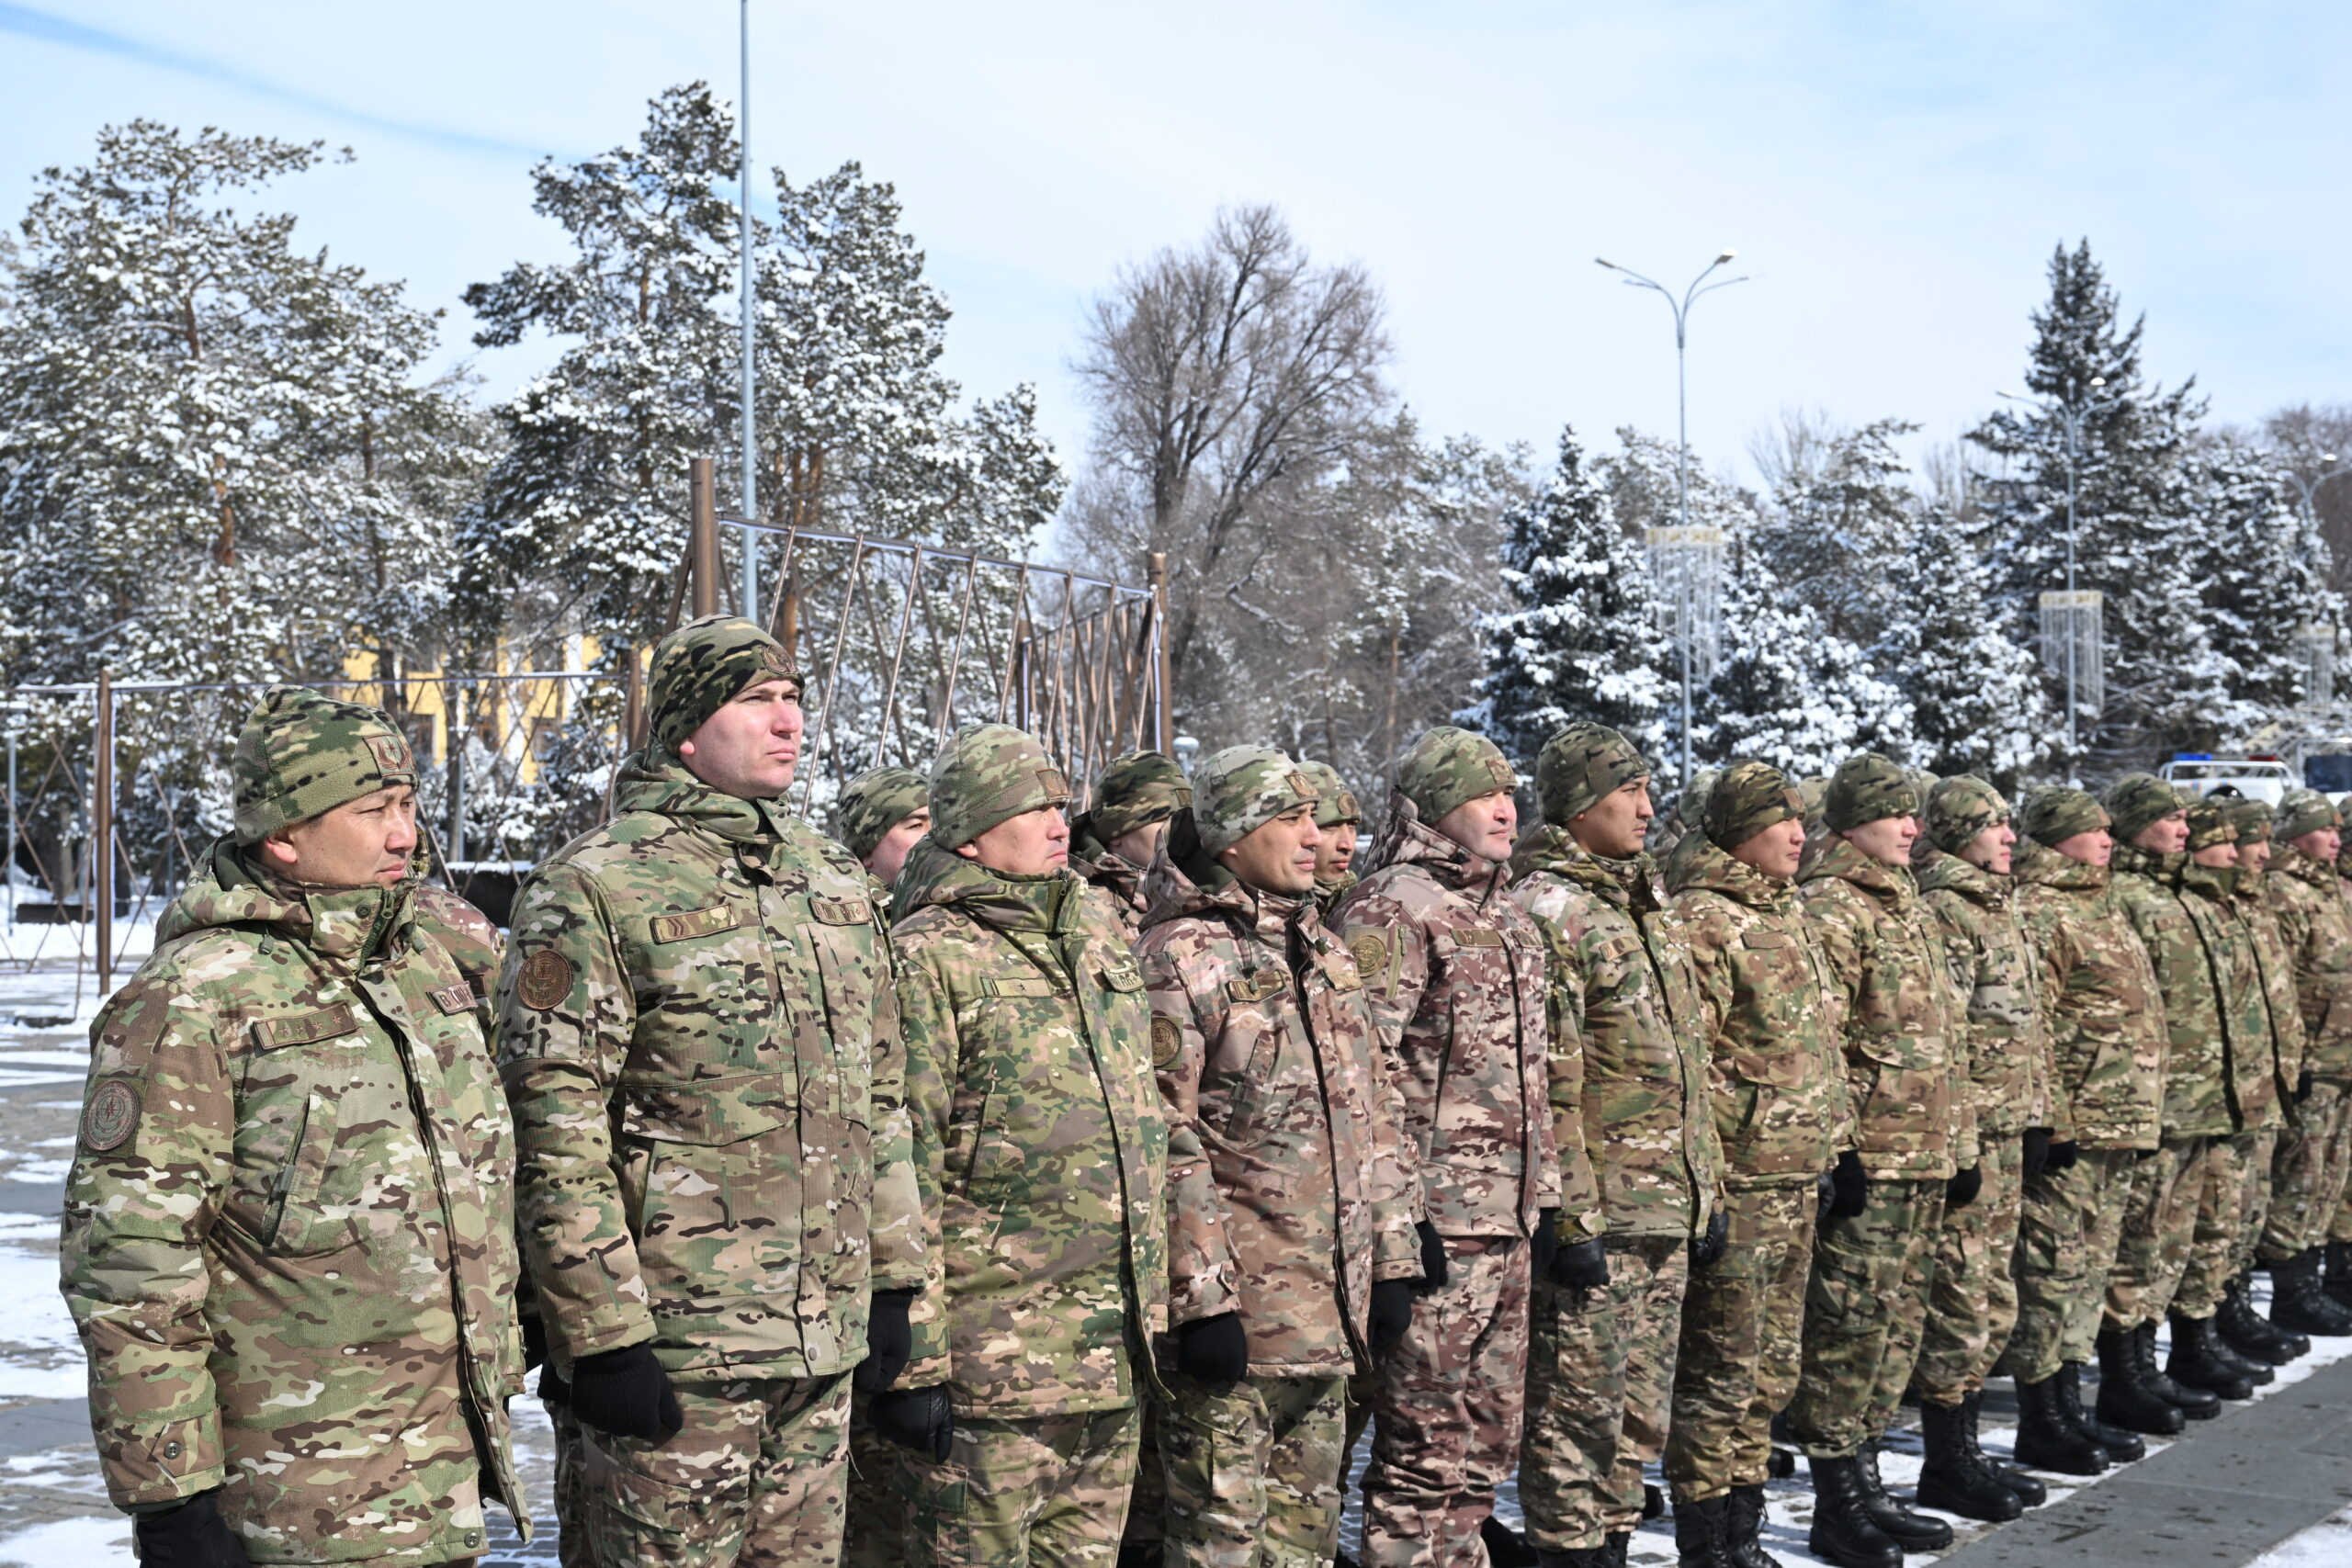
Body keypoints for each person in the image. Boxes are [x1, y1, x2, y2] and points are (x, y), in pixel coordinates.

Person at [62, 687, 529, 1564]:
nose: (405, 834)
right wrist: (171, 1496)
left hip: (444, 1480)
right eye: (373, 811)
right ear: (283, 835)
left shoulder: (428, 963)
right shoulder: (194, 999)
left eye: (407, 804)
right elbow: (130, 1261)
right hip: (292, 1506)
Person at [497, 614, 920, 1566]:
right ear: (687, 730)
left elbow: (880, 1100)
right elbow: (553, 1123)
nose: (789, 721)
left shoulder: (830, 881)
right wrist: (602, 1333)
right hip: (678, 1353)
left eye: (794, 699)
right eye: (756, 700)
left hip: (821, 1347)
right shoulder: (596, 886)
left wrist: (894, 1281)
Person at [889, 723, 1170, 1568]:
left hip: (1110, 1359)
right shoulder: (928, 955)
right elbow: (902, 1167)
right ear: (971, 834)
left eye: (1062, 804)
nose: (1059, 824)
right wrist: (915, 1362)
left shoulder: (1093, 931)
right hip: (992, 1371)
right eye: (1033, 808)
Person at [1134, 745, 1420, 1568]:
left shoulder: (1323, 951)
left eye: (1313, 819)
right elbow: (1164, 1139)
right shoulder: (1178, 956)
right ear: (1232, 836)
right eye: (1289, 819)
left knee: (1304, 1543)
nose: (1313, 837)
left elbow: (1374, 1112)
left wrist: (1392, 1259)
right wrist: (1202, 1302)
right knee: (1219, 1544)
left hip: (1328, 1316)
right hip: (1238, 1326)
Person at [1332, 727, 1576, 1568]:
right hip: (1438, 1228)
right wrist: (1401, 1222)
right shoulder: (1392, 908)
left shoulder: (1505, 913)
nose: (1507, 808)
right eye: (1483, 794)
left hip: (1507, 1223)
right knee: (1422, 1452)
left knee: (1485, 1447)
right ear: (1436, 807)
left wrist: (1547, 1197)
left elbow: (1532, 1074)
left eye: (1509, 791)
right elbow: (1362, 1077)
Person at [1509, 725, 1724, 1568]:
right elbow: (1550, 1081)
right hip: (1602, 1217)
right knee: (1575, 1423)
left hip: (1662, 1207)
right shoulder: (1550, 911)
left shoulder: (1641, 902)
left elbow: (1686, 1061)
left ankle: (1614, 1550)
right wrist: (1570, 1218)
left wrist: (1705, 1188)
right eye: (1628, 791)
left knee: (1635, 1421)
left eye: (1645, 788)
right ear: (1580, 804)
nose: (1646, 806)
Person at [1660, 760, 1849, 1568]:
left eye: (1802, 817)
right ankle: (1709, 1543)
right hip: (1740, 1181)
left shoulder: (1785, 910)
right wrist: (1705, 1186)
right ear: (1740, 830)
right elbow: (1689, 1067)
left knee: (1770, 1369)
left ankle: (1744, 1532)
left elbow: (1818, 1048)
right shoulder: (1704, 919)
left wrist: (1833, 1146)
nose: (1800, 833)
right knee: (1720, 1373)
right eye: (1782, 819)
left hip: (1794, 1176)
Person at [1788, 754, 1973, 1565]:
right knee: (1849, 1329)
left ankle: (1868, 1482)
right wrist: (1841, 1150)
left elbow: (1945, 1040)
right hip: (1876, 1156)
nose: (1911, 826)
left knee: (1895, 1330)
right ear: (1852, 823)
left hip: (1923, 1153)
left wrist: (1960, 1141)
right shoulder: (1832, 907)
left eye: (1913, 813)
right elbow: (1820, 1042)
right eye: (1894, 813)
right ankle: (1837, 1502)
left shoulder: (1908, 903)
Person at [2006, 787, 2166, 1469]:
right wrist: (2054, 1121)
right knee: (2051, 1272)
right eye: (2092, 829)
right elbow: (2034, 1025)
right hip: (2077, 1127)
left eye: (2108, 829)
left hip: (2119, 1121)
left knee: (2089, 1272)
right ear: (2057, 838)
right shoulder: (2042, 909)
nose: (2107, 838)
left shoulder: (2099, 902)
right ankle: (2042, 1417)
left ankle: (2072, 1407)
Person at [1907, 778, 2052, 1520]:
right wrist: (1961, 1139)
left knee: (1992, 1295)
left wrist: (2038, 1115)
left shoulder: (1999, 904)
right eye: (1994, 825)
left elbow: (2026, 1025)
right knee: (1960, 1299)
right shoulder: (1948, 909)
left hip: (2004, 1130)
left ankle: (1965, 1450)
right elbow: (1949, 1038)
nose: (2009, 836)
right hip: (1972, 1134)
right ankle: (1946, 1461)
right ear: (1963, 833)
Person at [2098, 775, 2247, 1427]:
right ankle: (2122, 1377)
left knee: (2169, 1242)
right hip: (2156, 1104)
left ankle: (2151, 1363)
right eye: (2171, 818)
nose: (2185, 829)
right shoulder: (2124, 896)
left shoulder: (2178, 893)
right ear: (2137, 823)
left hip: (2200, 1100)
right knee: (2138, 1241)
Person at [2195, 796, 2309, 1371]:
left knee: (2246, 1206)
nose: (2261, 852)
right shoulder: (2211, 905)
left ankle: (2232, 1309)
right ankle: (2202, 1331)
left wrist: (2288, 1063)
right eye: (2247, 842)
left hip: (2262, 1082)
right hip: (2210, 1093)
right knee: (2212, 1217)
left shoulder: (2248, 902)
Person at [2255, 788, 2352, 1338]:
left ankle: (2316, 1281)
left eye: (2338, 829)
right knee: (2300, 1175)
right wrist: (2294, 1060)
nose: (2336, 838)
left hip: (2342, 1057)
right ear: (2295, 835)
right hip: (2313, 1059)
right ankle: (2292, 1291)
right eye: (2325, 829)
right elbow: (2281, 984)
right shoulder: (2285, 891)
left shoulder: (2327, 887)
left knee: (2327, 1177)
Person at [1072, 750, 1194, 938]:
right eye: (1166, 820)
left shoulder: (1214, 890)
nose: (1182, 830)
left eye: (1188, 819)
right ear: (1116, 832)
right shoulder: (1081, 915)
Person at [834, 763, 932, 897]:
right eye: (916, 825)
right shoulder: (849, 906)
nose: (937, 835)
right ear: (867, 852)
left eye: (938, 823)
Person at [1298, 759, 1364, 918]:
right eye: (1330, 827)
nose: (1347, 845)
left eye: (1352, 826)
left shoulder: (1367, 903)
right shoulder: (1273, 911)